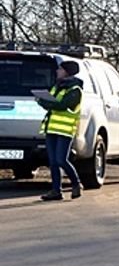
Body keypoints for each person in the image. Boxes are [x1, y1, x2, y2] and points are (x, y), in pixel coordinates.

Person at [36, 59, 84, 201]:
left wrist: (44, 101)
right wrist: (44, 101)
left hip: (65, 130)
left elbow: (62, 105)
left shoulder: (75, 90)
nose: (57, 71)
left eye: (60, 69)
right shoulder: (56, 87)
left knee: (61, 160)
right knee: (53, 162)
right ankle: (56, 191)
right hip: (51, 128)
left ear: (67, 72)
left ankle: (76, 184)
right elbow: (51, 104)